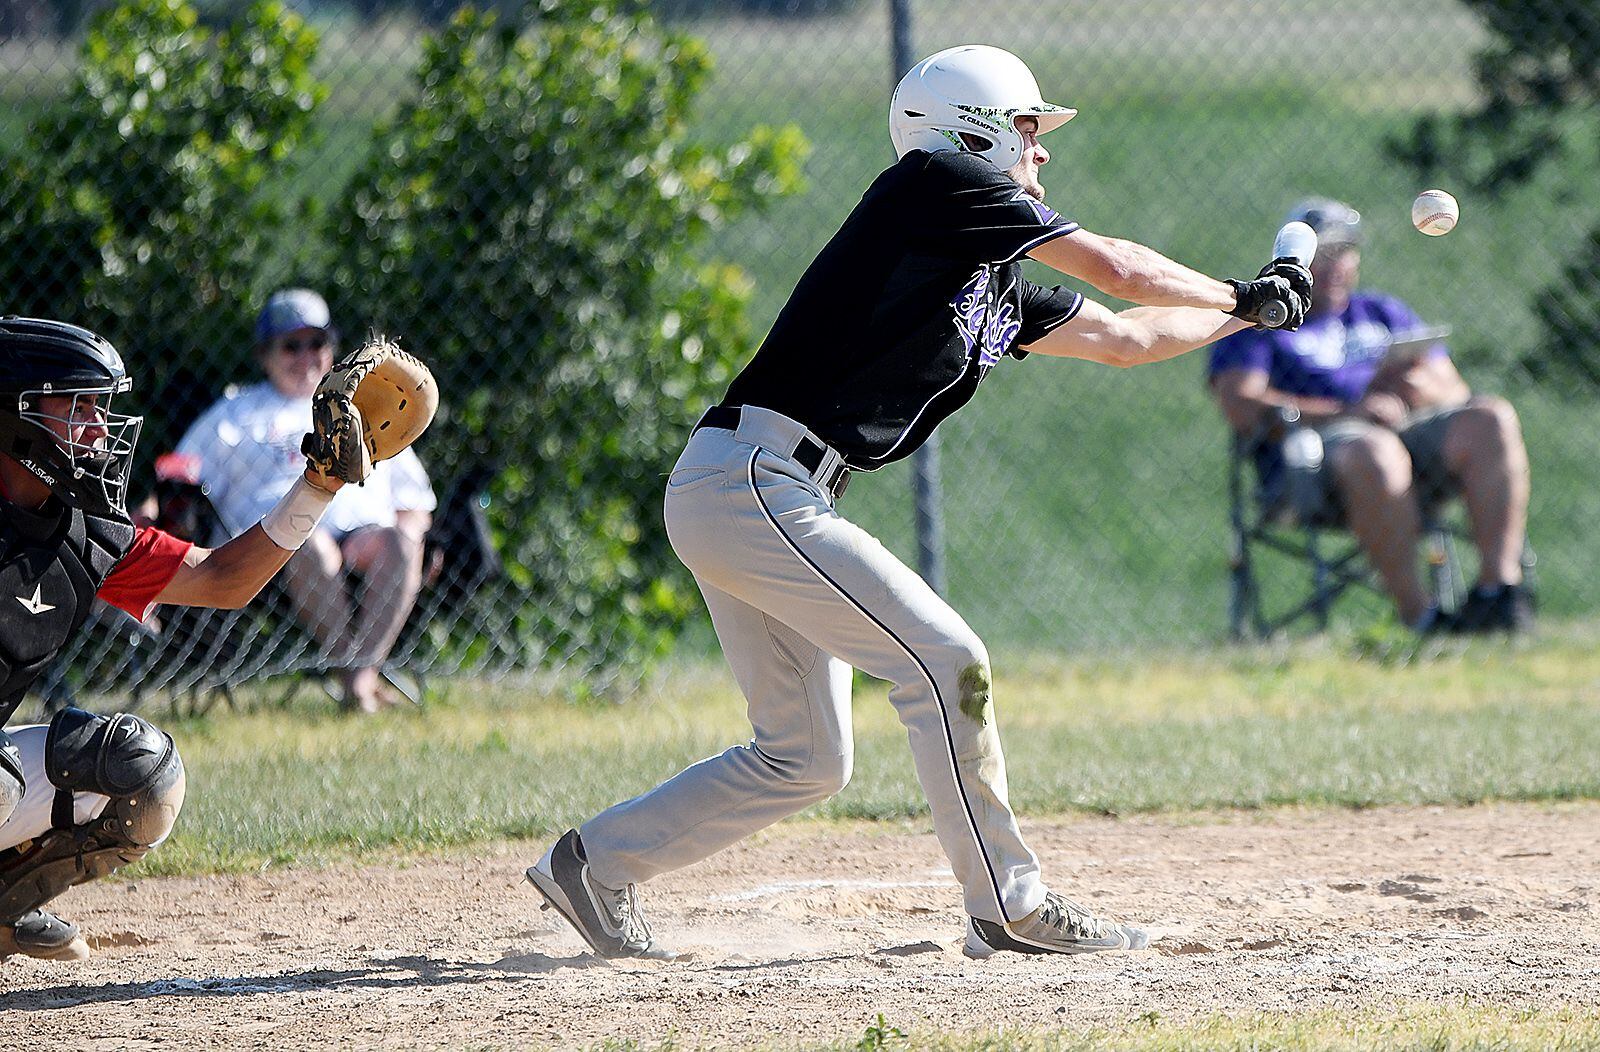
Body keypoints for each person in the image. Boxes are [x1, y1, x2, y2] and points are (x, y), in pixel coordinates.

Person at [525, 44, 1313, 960]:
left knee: (807, 758)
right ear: (968, 128)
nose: (1040, 150)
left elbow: (1130, 336)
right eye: (1027, 127)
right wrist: (1236, 289)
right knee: (945, 663)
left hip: (757, 488)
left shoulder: (986, 275)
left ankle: (596, 865)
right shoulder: (933, 182)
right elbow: (1119, 270)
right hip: (755, 478)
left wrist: (1250, 312)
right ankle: (1010, 908)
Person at [0, 315, 409, 963]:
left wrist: (319, 484)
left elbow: (223, 578)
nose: (102, 431)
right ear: (13, 415)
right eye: (78, 408)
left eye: (102, 410)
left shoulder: (89, 534)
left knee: (141, 773)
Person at [1208, 198, 1532, 633]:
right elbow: (1240, 404)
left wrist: (1418, 390)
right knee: (1375, 450)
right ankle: (1423, 618)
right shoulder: (1264, 316)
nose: (1337, 265)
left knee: (1492, 417)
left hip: (1406, 439)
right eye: (1323, 255)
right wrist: (1347, 411)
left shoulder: (1380, 312)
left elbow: (1455, 389)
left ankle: (1498, 594)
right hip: (1315, 461)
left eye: (1345, 252)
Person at [177, 289, 437, 712]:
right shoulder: (237, 413)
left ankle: (359, 679)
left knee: (400, 544)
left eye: (316, 343)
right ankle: (360, 685)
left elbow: (414, 503)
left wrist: (412, 541)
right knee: (307, 540)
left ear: (331, 349)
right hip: (276, 548)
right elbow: (180, 475)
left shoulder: (366, 407)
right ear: (265, 354)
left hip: (361, 539)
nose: (305, 355)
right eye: (290, 345)